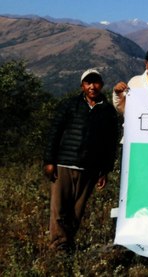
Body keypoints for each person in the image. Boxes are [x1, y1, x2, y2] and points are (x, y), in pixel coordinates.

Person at [43, 69, 119, 251]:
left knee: (77, 210)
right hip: (64, 164)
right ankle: (58, 246)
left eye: (96, 82)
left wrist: (105, 170)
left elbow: (110, 143)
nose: (92, 86)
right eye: (88, 83)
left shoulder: (107, 110)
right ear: (82, 86)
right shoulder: (70, 105)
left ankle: (68, 243)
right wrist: (49, 160)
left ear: (101, 84)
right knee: (59, 208)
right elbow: (54, 133)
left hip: (90, 169)